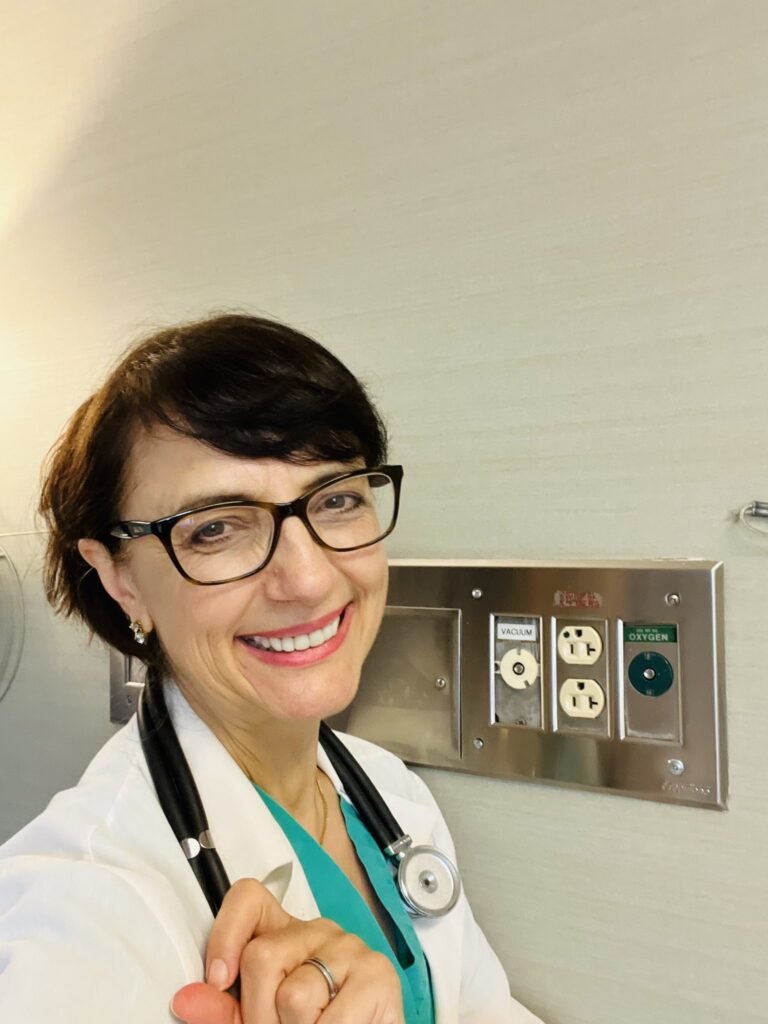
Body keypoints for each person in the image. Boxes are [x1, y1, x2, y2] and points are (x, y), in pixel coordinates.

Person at [0, 314, 543, 1023]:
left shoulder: (387, 795)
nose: (309, 579)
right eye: (216, 527)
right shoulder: (80, 909)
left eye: (337, 498)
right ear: (120, 579)